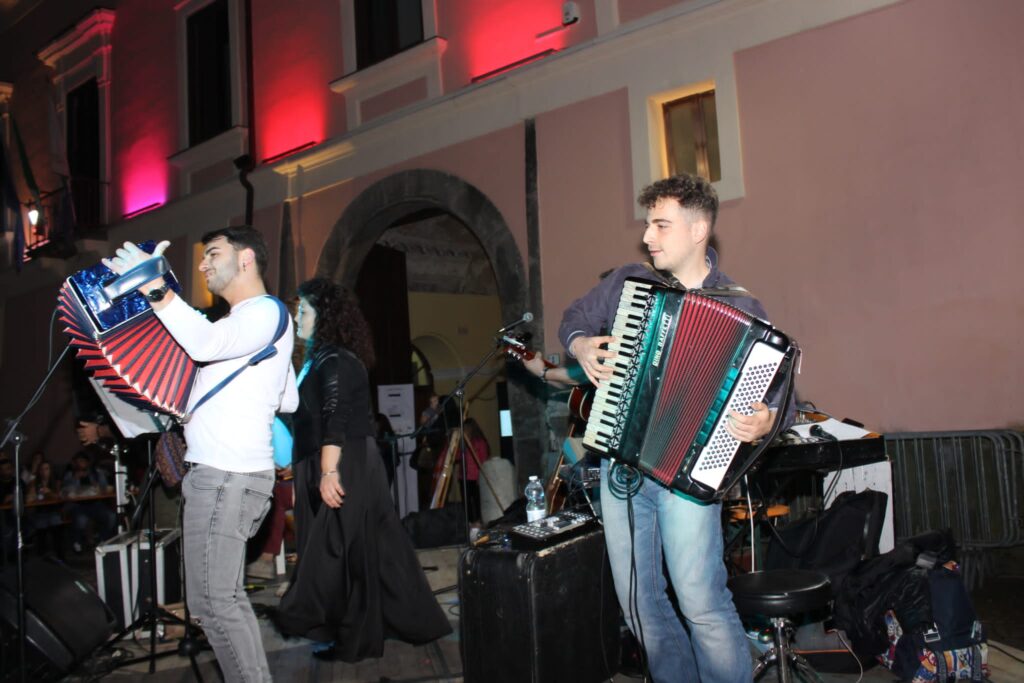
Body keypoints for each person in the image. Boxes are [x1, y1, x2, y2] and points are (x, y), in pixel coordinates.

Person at [558, 173, 790, 683]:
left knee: (701, 601)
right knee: (640, 604)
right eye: (648, 224)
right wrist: (578, 344)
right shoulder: (629, 283)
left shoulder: (741, 306)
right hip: (621, 467)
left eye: (661, 225)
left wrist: (767, 419)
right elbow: (574, 316)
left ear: (698, 229)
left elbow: (782, 399)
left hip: (689, 476)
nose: (648, 236)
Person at [103, 226, 298, 683]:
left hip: (228, 476)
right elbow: (287, 398)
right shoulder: (251, 323)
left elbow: (206, 344)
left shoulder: (263, 310)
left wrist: (155, 286)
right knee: (224, 601)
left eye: (213, 253)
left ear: (246, 259)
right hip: (231, 476)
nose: (204, 264)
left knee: (213, 604)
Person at [275, 278, 451, 662]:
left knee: (343, 554)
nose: (298, 316)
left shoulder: (337, 359)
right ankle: (363, 630)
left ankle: (352, 639)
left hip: (344, 462)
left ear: (325, 316)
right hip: (326, 461)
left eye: (304, 310)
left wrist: (327, 471)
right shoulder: (318, 360)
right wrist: (299, 461)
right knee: (365, 551)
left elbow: (336, 418)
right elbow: (308, 418)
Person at [61, 448, 116, 552]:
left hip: (95, 504)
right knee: (81, 521)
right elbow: (64, 490)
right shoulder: (70, 474)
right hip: (78, 505)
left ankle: (103, 540)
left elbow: (105, 487)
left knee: (111, 516)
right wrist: (76, 479)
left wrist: (99, 486)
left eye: (83, 461)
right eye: (78, 461)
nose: (81, 464)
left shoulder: (96, 473)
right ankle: (77, 544)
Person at [459, 418, 490, 524]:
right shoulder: (462, 443)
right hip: (464, 477)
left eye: (466, 429)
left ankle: (478, 522)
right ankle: (469, 522)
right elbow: (458, 458)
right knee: (466, 502)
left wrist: (481, 477)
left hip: (476, 477)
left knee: (477, 502)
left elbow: (484, 461)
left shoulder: (480, 443)